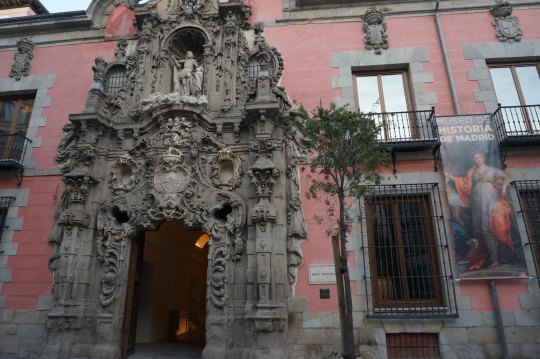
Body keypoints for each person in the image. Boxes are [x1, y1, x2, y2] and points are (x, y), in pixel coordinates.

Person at [445, 151, 514, 269]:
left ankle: (500, 257)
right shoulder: (471, 172)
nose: (478, 159)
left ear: (484, 158)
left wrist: (503, 188)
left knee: (493, 227)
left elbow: (506, 176)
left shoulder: (492, 170)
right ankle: (492, 259)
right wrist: (452, 178)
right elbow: (465, 185)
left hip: (491, 198)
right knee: (482, 229)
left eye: (480, 157)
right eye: (476, 158)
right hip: (476, 200)